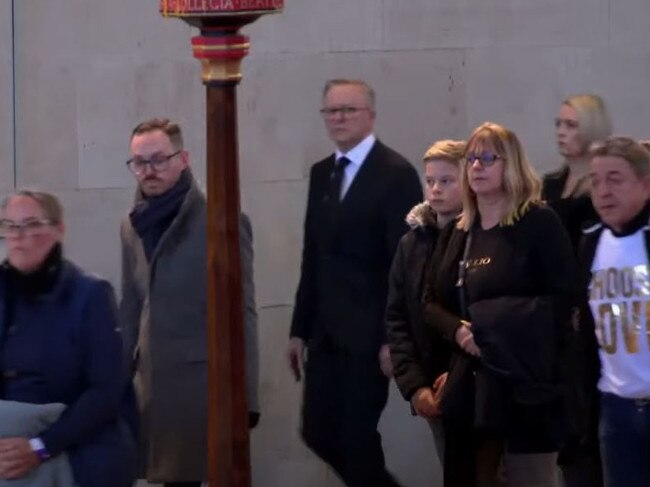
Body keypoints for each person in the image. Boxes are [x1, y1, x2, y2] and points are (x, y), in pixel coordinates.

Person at [423, 122, 576, 487]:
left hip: (524, 383)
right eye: (472, 159)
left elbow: (563, 299)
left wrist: (490, 329)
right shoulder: (458, 232)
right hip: (472, 387)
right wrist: (460, 333)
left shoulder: (537, 222)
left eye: (487, 158)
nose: (476, 166)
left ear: (512, 165)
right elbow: (429, 303)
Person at [287, 79, 422, 486]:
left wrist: (392, 339)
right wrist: (298, 330)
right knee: (317, 432)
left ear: (370, 115)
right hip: (325, 333)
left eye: (349, 110)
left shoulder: (396, 174)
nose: (339, 118)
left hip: (369, 335)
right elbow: (313, 257)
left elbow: (405, 265)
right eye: (332, 111)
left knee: (356, 437)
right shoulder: (321, 173)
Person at [120, 118, 260, 486]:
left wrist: (248, 397)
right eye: (139, 162)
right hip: (153, 382)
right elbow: (132, 305)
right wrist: (120, 380)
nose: (148, 171)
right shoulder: (131, 224)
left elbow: (243, 310)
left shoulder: (221, 221)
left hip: (202, 385)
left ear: (183, 159)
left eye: (158, 160)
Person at [0, 190, 136, 487]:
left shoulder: (90, 295)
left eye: (31, 225)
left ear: (58, 230)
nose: (19, 237)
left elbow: (106, 391)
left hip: (70, 445)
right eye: (10, 226)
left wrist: (40, 447)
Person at [386, 139, 464, 465]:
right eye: (430, 181)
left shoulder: (482, 235)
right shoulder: (412, 244)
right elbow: (397, 317)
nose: (435, 190)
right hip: (431, 385)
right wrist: (415, 386)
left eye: (446, 181)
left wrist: (459, 376)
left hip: (472, 382)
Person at [578, 136, 650, 487]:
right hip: (615, 406)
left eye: (615, 179)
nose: (603, 191)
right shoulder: (590, 242)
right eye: (596, 180)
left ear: (645, 184)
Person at [543, 94, 612, 249]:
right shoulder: (550, 184)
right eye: (558, 124)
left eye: (570, 125)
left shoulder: (603, 188)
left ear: (591, 129)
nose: (560, 132)